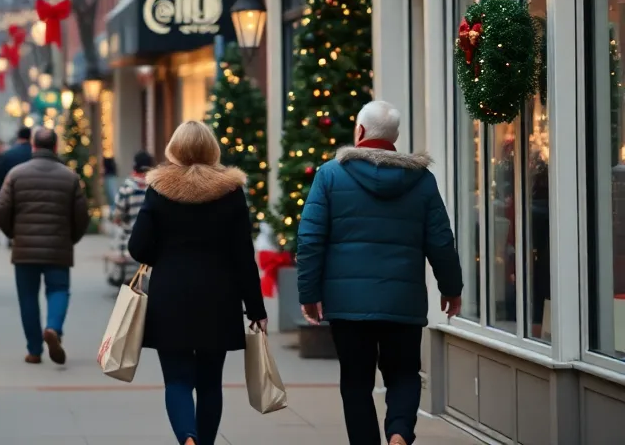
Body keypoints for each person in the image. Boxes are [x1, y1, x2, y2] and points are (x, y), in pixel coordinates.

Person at [296, 100, 463, 445]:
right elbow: (441, 241)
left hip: (348, 304)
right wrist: (451, 287)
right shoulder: (422, 180)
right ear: (395, 137)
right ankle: (399, 433)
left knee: (355, 382)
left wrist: (309, 294)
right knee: (403, 373)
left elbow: (310, 240)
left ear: (359, 131)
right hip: (402, 301)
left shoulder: (329, 175)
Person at [127, 121, 266, 445]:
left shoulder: (159, 188)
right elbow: (243, 255)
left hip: (170, 296)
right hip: (219, 297)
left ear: (174, 149)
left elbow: (138, 248)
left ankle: (187, 438)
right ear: (211, 149)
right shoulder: (230, 191)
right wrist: (256, 308)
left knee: (176, 379)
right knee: (209, 382)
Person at [0, 127, 89, 365]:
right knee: (58, 290)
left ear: (33, 146)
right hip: (58, 246)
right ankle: (53, 327)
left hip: (24, 248)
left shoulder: (16, 174)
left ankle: (34, 350)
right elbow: (82, 215)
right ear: (56, 147)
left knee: (28, 297)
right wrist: (71, 239)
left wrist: (13, 234)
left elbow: (1, 210)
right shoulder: (70, 177)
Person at [112, 150, 153, 257]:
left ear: (135, 166)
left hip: (129, 243)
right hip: (152, 244)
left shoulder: (127, 187)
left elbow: (117, 217)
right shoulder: (155, 187)